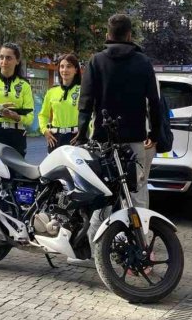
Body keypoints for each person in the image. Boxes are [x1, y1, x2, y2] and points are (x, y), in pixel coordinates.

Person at [77, 14, 161, 211]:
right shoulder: (143, 62)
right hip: (134, 140)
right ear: (129, 36)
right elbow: (154, 103)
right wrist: (154, 134)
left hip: (103, 141)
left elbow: (86, 102)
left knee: (102, 193)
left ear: (108, 35)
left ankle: (100, 241)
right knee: (137, 191)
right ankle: (140, 237)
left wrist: (81, 134)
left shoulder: (96, 62)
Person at [39, 54, 82, 153]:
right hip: (54, 139)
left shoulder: (83, 91)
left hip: (75, 138)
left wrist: (84, 133)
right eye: (62, 67)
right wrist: (45, 131)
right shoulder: (51, 92)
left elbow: (91, 116)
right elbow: (43, 115)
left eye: (69, 66)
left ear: (76, 70)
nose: (64, 70)